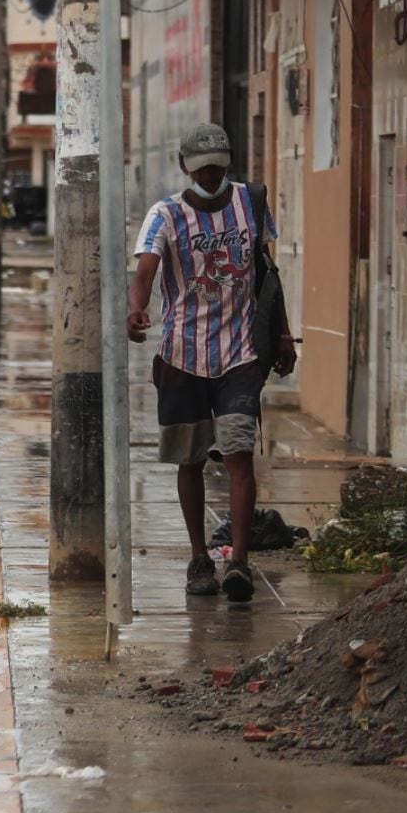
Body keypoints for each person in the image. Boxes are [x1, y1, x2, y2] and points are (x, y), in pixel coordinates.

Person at [128, 123, 296, 603]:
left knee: (240, 452)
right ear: (185, 167)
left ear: (228, 164)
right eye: (201, 169)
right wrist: (135, 309)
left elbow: (268, 274)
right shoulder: (164, 215)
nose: (209, 176)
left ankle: (239, 562)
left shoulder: (252, 204)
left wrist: (282, 332)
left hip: (240, 353)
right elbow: (145, 271)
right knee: (191, 458)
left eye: (218, 167)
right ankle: (200, 557)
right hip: (182, 355)